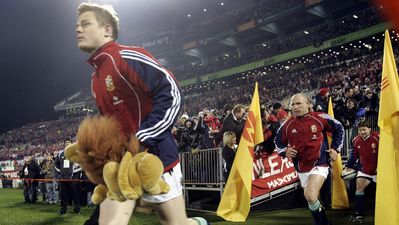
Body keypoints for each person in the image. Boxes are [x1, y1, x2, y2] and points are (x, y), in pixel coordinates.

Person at [75, 2, 209, 225]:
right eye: (77, 25)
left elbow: (172, 92)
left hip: (156, 159)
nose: (78, 30)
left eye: (85, 24)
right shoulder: (95, 78)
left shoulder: (127, 57)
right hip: (121, 166)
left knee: (176, 224)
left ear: (107, 29)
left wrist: (143, 139)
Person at [275, 93, 344, 225]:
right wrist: (285, 151)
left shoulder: (320, 118)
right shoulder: (286, 126)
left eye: (299, 103)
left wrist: (335, 148)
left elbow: (339, 128)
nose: (295, 107)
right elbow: (278, 143)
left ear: (308, 104)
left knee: (310, 195)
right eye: (293, 104)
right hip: (301, 168)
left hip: (320, 163)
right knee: (313, 199)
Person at [344, 120, 379, 223]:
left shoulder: (378, 138)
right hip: (364, 171)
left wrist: (381, 167)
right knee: (359, 188)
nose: (362, 132)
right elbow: (354, 155)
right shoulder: (356, 140)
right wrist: (347, 167)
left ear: (370, 129)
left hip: (380, 172)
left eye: (364, 129)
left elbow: (385, 154)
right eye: (360, 130)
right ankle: (358, 213)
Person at [55, 138, 83, 215]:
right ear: (64, 144)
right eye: (66, 142)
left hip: (73, 179)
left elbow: (80, 165)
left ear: (71, 143)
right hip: (63, 179)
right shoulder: (60, 154)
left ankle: (77, 209)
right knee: (63, 196)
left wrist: (74, 174)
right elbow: (56, 165)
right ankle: (63, 210)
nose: (67, 143)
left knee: (75, 195)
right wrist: (60, 174)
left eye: (69, 142)